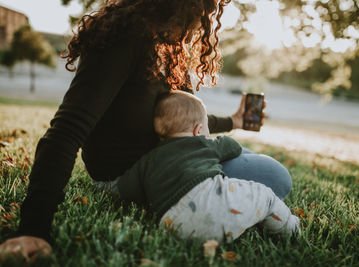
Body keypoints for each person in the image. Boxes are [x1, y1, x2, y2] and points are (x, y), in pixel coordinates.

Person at [0, 0, 292, 262]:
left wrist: (235, 121)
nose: (209, 14)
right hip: (138, 174)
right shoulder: (126, 35)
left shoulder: (168, 46)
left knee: (258, 165)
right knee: (273, 177)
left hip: (174, 156)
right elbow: (67, 129)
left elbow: (187, 119)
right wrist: (33, 228)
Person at [97, 90, 300, 242]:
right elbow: (233, 146)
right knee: (265, 197)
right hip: (211, 203)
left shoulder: (148, 159)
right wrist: (217, 141)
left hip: (172, 223)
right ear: (198, 129)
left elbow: (124, 188)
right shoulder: (204, 144)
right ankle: (291, 228)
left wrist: (102, 187)